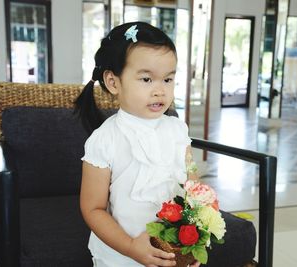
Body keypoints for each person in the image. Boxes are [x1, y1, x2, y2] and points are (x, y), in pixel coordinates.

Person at [74, 22, 200, 267]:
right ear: (113, 82)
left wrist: (193, 239)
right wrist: (131, 248)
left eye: (168, 79)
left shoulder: (177, 128)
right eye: (146, 79)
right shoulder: (105, 139)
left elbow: (192, 181)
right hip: (122, 255)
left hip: (170, 251)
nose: (159, 90)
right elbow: (92, 208)